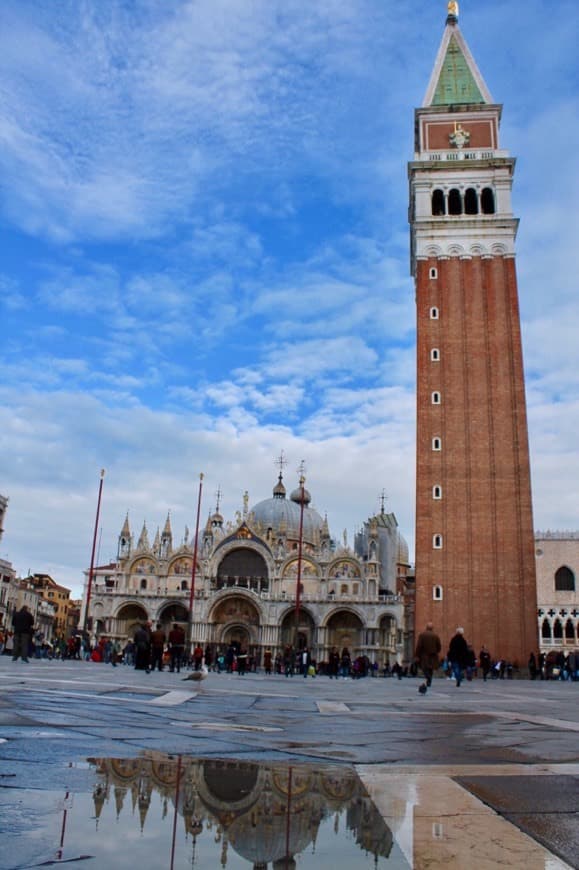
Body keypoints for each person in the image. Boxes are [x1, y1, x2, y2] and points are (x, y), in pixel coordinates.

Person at [414, 622, 441, 691]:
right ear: (432, 628)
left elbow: (419, 646)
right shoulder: (436, 635)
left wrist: (417, 654)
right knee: (430, 668)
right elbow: (439, 645)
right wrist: (437, 651)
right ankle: (429, 681)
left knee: (424, 667)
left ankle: (428, 677)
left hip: (424, 654)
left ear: (426, 627)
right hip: (433, 654)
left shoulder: (422, 635)